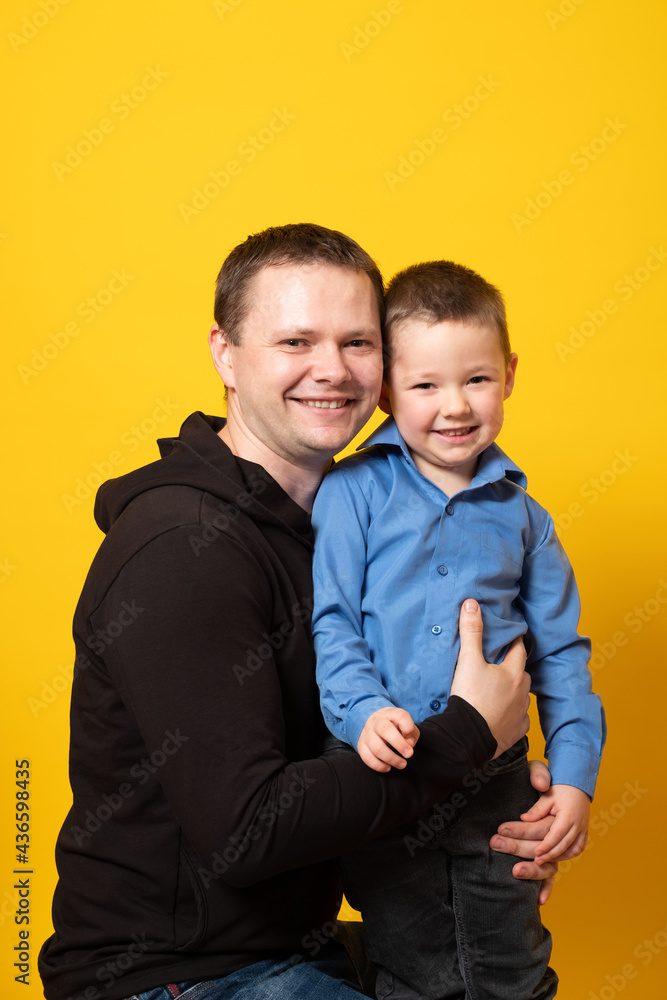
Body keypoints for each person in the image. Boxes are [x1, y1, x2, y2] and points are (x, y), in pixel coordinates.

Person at [39, 226, 561, 1000]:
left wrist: (484, 816)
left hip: (294, 942)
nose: (332, 370)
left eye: (357, 342)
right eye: (295, 340)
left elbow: (365, 740)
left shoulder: (351, 528)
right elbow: (250, 830)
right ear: (224, 353)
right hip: (179, 976)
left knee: (489, 963)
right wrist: (463, 738)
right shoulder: (187, 549)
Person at [312, 259, 607, 998]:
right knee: (410, 962)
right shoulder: (350, 493)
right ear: (385, 390)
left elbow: (564, 656)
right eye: (424, 385)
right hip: (386, 771)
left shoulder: (526, 520)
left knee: (510, 962)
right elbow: (332, 622)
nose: (454, 406)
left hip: (495, 784)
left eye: (475, 379)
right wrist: (362, 712)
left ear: (508, 374)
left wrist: (572, 780)